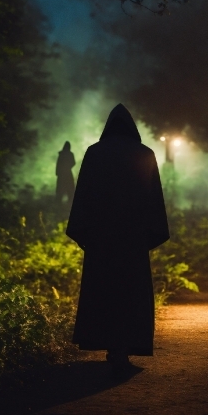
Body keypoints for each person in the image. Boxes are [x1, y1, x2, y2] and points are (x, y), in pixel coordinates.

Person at [66, 104, 169, 376]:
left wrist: (84, 231)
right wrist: (149, 234)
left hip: (102, 238)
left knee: (105, 290)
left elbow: (84, 196)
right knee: (129, 292)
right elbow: (154, 200)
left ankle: (110, 345)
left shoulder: (94, 153)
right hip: (132, 239)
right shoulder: (145, 154)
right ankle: (124, 346)